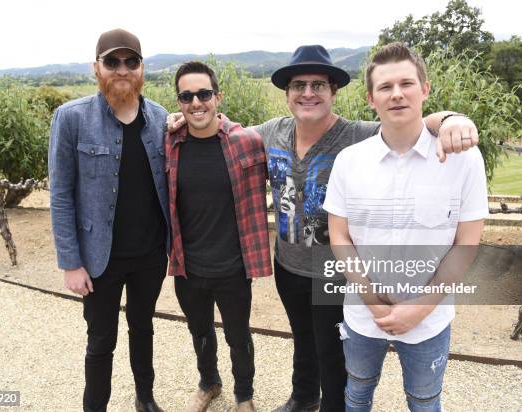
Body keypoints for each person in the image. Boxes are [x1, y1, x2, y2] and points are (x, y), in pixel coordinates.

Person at [168, 44, 479, 412]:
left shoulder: (356, 136)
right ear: (287, 95)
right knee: (301, 339)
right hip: (289, 263)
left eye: (319, 85)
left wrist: (449, 120)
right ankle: (302, 399)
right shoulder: (269, 134)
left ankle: (331, 404)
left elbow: (406, 120)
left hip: (333, 269)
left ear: (334, 92)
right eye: (299, 85)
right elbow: (221, 130)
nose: (308, 93)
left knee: (332, 351)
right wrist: (181, 117)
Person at [324, 42, 487, 411]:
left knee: (425, 402)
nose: (396, 94)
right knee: (357, 393)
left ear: (425, 89)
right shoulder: (350, 161)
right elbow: (339, 234)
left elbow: (467, 243)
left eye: (406, 83)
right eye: (385, 87)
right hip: (363, 315)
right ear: (370, 98)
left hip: (431, 320)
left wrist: (420, 308)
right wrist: (370, 298)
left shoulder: (464, 160)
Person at [49, 28, 169, 412]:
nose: (122, 69)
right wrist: (70, 262)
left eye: (130, 61)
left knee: (143, 329)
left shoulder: (161, 118)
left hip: (150, 255)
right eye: (112, 61)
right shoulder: (70, 118)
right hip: (99, 258)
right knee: (101, 340)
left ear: (141, 68)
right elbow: (61, 196)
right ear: (96, 67)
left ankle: (145, 399)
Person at [165, 61, 271, 412]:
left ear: (217, 97)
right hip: (188, 267)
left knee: (238, 337)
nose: (196, 103)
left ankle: (244, 395)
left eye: (203, 94)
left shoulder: (248, 142)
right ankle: (209, 383)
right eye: (187, 96)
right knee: (200, 334)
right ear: (179, 102)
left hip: (234, 267)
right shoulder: (169, 144)